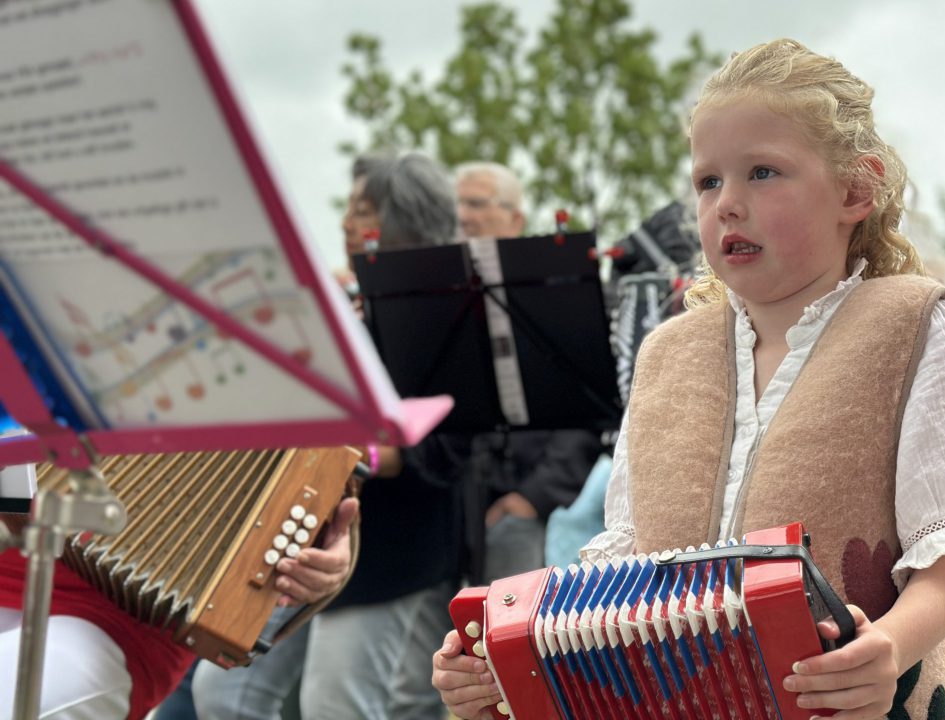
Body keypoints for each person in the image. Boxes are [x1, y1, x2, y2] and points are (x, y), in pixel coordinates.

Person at [432, 38, 945, 719]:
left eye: (763, 173)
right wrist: (504, 663)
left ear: (857, 188)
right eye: (708, 181)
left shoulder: (914, 321)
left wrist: (887, 648)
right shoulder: (665, 354)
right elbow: (615, 573)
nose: (727, 205)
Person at [187, 151, 467, 720]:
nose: (344, 221)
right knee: (222, 694)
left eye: (362, 209)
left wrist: (344, 447)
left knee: (336, 707)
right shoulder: (340, 305)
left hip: (389, 554)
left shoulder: (446, 313)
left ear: (404, 221)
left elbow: (443, 451)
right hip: (296, 538)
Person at [382, 160, 601, 719]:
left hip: (523, 511)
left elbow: (584, 407)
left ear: (516, 215)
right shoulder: (438, 299)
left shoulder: (553, 289)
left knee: (518, 661)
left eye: (479, 203)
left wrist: (533, 497)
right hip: (458, 511)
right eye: (460, 205)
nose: (466, 216)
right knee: (433, 677)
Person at [0, 466, 356, 720]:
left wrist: (336, 560)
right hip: (12, 561)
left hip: (121, 625)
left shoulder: (302, 376)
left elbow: (334, 486)